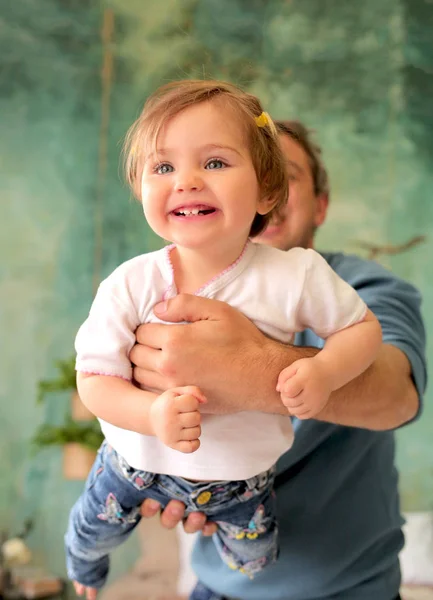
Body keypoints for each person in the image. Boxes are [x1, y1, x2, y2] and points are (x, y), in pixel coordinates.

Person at [65, 80, 382, 600]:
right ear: (141, 187)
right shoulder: (131, 282)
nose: (186, 181)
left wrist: (326, 371)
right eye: (163, 167)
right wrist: (151, 417)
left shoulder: (295, 275)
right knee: (91, 533)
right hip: (132, 467)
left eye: (214, 163)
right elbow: (95, 379)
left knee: (257, 563)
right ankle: (84, 571)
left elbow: (363, 331)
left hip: (242, 482)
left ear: (267, 191)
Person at [132, 120, 427, 600]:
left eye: (284, 175)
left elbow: (396, 396)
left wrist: (250, 370)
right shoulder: (168, 289)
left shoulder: (364, 288)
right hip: (215, 587)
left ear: (321, 205)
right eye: (232, 167)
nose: (266, 186)